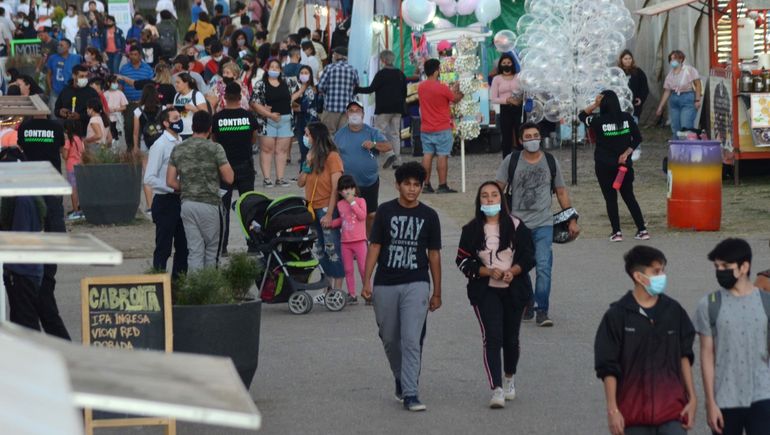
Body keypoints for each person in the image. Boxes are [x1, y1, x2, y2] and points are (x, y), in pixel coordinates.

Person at [361, 161, 442, 412]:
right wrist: (367, 280)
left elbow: (434, 255)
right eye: (407, 184)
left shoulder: (429, 216)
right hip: (385, 283)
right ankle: (400, 377)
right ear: (397, 185)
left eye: (417, 185)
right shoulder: (385, 211)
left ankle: (410, 392)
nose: (412, 189)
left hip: (416, 283)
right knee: (389, 338)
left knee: (411, 339)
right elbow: (375, 247)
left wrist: (437, 291)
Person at [595, 245, 696, 435]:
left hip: (672, 413)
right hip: (632, 416)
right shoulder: (617, 316)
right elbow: (608, 367)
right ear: (638, 277)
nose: (662, 276)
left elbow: (685, 355)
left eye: (663, 270)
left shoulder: (674, 311)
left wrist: (692, 399)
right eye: (656, 271)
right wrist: (613, 410)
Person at [456, 181, 535, 409]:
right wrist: (487, 271)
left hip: (514, 292)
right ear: (479, 201)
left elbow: (529, 257)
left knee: (510, 339)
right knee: (492, 337)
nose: (490, 200)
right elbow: (462, 260)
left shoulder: (517, 226)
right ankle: (497, 389)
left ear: (502, 199)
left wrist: (513, 271)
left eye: (494, 196)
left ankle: (509, 377)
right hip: (484, 292)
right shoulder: (470, 230)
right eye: (485, 196)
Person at [495, 122, 580, 327]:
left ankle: (542, 310)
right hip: (518, 225)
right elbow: (497, 189)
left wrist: (572, 219)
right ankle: (528, 300)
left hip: (544, 223)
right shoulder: (511, 161)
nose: (532, 140)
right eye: (528, 136)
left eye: (535, 136)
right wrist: (502, 217)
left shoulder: (550, 161)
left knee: (543, 267)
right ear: (521, 140)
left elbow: (561, 192)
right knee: (520, 268)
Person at [695, 238, 770, 435]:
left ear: (744, 266)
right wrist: (710, 402)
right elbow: (707, 356)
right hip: (725, 397)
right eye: (717, 266)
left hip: (763, 396)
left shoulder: (766, 302)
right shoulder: (709, 304)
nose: (720, 271)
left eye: (726, 266)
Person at [15, 115, 71, 340]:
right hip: (50, 186)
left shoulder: (25, 127)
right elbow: (62, 149)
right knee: (44, 302)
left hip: (25, 267)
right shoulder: (56, 126)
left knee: (32, 310)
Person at [166, 111, 234, 271]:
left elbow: (170, 181)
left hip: (188, 205)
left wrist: (190, 185)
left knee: (195, 252)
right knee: (212, 252)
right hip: (210, 204)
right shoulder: (215, 148)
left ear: (193, 126)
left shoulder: (179, 148)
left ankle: (194, 291)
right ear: (210, 128)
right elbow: (229, 178)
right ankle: (210, 291)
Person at [580, 91, 649, 242]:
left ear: (603, 104)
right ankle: (642, 230)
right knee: (629, 197)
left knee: (610, 199)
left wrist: (595, 104)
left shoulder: (598, 121)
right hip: (624, 166)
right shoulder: (626, 118)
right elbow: (637, 138)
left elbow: (582, 116)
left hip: (604, 165)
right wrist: (627, 152)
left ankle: (617, 232)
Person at [297, 122, 345, 295]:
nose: (305, 138)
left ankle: (338, 288)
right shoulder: (311, 156)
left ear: (316, 137)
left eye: (307, 134)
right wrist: (307, 164)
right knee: (320, 249)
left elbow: (335, 188)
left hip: (326, 207)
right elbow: (300, 182)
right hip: (312, 208)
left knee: (332, 248)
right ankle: (327, 287)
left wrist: (330, 214)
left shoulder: (332, 157)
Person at [211, 81, 258, 256]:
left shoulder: (217, 118)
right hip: (245, 165)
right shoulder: (248, 117)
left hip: (224, 167)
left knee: (223, 209)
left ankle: (222, 247)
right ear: (240, 97)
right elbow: (254, 138)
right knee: (249, 207)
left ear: (224, 97)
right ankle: (253, 244)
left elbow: (214, 140)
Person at [334, 100, 391, 235]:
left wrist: (374, 144)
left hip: (369, 182)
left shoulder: (371, 132)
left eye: (357, 110)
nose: (354, 113)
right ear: (347, 114)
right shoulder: (339, 135)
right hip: (348, 184)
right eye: (351, 111)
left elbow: (388, 146)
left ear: (363, 114)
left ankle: (368, 242)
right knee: (348, 214)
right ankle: (352, 240)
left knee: (370, 214)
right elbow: (333, 155)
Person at [144, 108, 188, 279]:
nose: (179, 121)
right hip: (165, 201)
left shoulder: (182, 142)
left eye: (180, 117)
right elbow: (149, 178)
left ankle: (178, 284)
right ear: (166, 123)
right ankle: (158, 283)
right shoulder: (160, 145)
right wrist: (173, 186)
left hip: (182, 200)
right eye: (175, 118)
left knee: (184, 246)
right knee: (163, 247)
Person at [250, 59, 304, 187]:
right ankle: (267, 178)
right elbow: (253, 103)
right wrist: (268, 114)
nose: (274, 69)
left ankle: (280, 178)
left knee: (282, 151)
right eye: (271, 67)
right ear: (267, 69)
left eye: (277, 67)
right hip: (267, 121)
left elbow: (300, 90)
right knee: (267, 150)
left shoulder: (288, 82)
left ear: (280, 70)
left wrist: (304, 88)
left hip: (285, 120)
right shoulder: (261, 84)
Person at [355, 49, 407, 169]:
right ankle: (397, 161)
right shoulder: (400, 73)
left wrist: (356, 89)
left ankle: (390, 154)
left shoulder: (381, 74)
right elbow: (405, 92)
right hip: (398, 108)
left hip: (384, 108)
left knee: (378, 131)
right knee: (395, 134)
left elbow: (371, 89)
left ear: (383, 60)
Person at [418, 58, 462, 193]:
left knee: (427, 155)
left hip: (426, 127)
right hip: (442, 127)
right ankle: (442, 185)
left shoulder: (421, 87)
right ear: (437, 71)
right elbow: (454, 98)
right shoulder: (442, 87)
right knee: (442, 155)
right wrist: (461, 91)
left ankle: (425, 184)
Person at [329, 174, 367, 305]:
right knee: (348, 269)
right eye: (344, 189)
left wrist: (353, 203)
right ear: (340, 191)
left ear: (355, 189)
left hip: (360, 240)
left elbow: (362, 216)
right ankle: (352, 294)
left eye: (350, 188)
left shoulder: (361, 201)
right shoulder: (340, 204)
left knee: (363, 268)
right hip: (345, 242)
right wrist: (332, 223)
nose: (348, 191)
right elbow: (343, 219)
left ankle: (368, 292)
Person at [655, 50, 702, 138]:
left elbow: (698, 84)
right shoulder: (670, 74)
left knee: (686, 126)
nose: (673, 61)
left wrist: (697, 99)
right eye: (671, 59)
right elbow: (667, 91)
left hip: (687, 97)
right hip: (674, 99)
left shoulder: (689, 70)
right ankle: (676, 148)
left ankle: (686, 149)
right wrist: (660, 106)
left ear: (681, 59)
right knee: (675, 126)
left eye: (675, 59)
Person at [133, 84, 162, 211]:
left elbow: (136, 132)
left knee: (147, 174)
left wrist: (135, 146)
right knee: (162, 173)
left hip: (145, 143)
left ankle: (150, 206)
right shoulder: (163, 109)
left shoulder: (138, 111)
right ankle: (161, 203)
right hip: (160, 143)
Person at [318, 46, 359, 136]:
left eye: (333, 54)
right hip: (346, 108)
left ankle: (330, 150)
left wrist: (327, 92)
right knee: (343, 135)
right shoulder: (353, 69)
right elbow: (356, 88)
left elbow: (320, 87)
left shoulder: (329, 68)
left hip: (330, 107)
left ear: (336, 56)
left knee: (328, 134)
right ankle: (339, 150)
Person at [490, 53, 523, 157]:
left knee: (521, 135)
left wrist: (520, 100)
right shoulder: (497, 79)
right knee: (506, 138)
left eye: (509, 62)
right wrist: (508, 100)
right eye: (504, 63)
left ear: (512, 64)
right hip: (505, 110)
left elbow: (525, 91)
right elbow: (493, 98)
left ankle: (523, 159)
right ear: (500, 65)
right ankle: (507, 161)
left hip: (519, 109)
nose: (506, 64)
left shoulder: (519, 77)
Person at [618, 49, 649, 161]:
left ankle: (636, 148)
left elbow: (644, 88)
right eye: (625, 59)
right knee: (622, 128)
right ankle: (623, 148)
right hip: (620, 106)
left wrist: (640, 98)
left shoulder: (638, 72)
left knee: (633, 126)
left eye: (629, 58)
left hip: (633, 106)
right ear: (621, 60)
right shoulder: (617, 72)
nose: (627, 61)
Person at [54, 64, 98, 135]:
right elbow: (56, 110)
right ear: (74, 75)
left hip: (85, 132)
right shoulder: (65, 91)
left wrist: (80, 116)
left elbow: (98, 113)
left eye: (86, 76)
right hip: (67, 131)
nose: (84, 79)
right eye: (81, 76)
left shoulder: (92, 92)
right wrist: (60, 112)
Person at [46, 38, 82, 114]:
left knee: (70, 113)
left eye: (61, 45)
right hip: (56, 92)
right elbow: (49, 74)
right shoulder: (52, 58)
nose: (59, 47)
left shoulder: (77, 58)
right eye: (58, 45)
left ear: (68, 47)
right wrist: (50, 88)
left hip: (71, 91)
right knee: (54, 113)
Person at [294, 65, 319, 167]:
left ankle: (305, 172)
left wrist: (291, 107)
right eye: (302, 73)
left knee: (306, 149)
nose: (304, 75)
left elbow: (303, 108)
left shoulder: (310, 90)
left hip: (308, 122)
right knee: (304, 150)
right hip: (301, 121)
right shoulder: (298, 88)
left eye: (306, 73)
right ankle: (303, 172)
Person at [172, 72, 208, 140]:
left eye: (178, 82)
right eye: (175, 83)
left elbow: (205, 115)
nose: (176, 85)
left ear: (186, 83)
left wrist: (192, 108)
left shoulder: (196, 95)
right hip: (179, 131)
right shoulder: (177, 95)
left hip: (192, 132)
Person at [62, 120, 84, 220]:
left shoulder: (68, 141)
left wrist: (62, 150)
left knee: (73, 190)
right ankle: (81, 209)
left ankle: (75, 211)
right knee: (80, 189)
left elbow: (65, 156)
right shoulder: (79, 139)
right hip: (80, 165)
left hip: (71, 166)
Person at [104, 75, 128, 149]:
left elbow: (124, 106)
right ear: (108, 83)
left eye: (116, 82)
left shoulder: (120, 93)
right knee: (110, 134)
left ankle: (117, 149)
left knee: (118, 134)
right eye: (113, 82)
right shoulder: (105, 94)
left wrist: (116, 109)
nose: (116, 84)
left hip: (118, 118)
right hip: (108, 118)